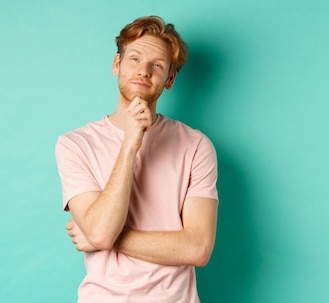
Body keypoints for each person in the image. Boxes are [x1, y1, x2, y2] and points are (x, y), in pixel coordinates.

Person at [55, 16, 218, 303]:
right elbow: (99, 232)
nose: (143, 71)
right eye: (134, 59)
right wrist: (131, 141)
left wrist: (103, 236)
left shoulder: (196, 145)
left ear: (169, 79)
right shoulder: (75, 144)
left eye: (157, 65)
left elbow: (197, 249)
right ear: (117, 65)